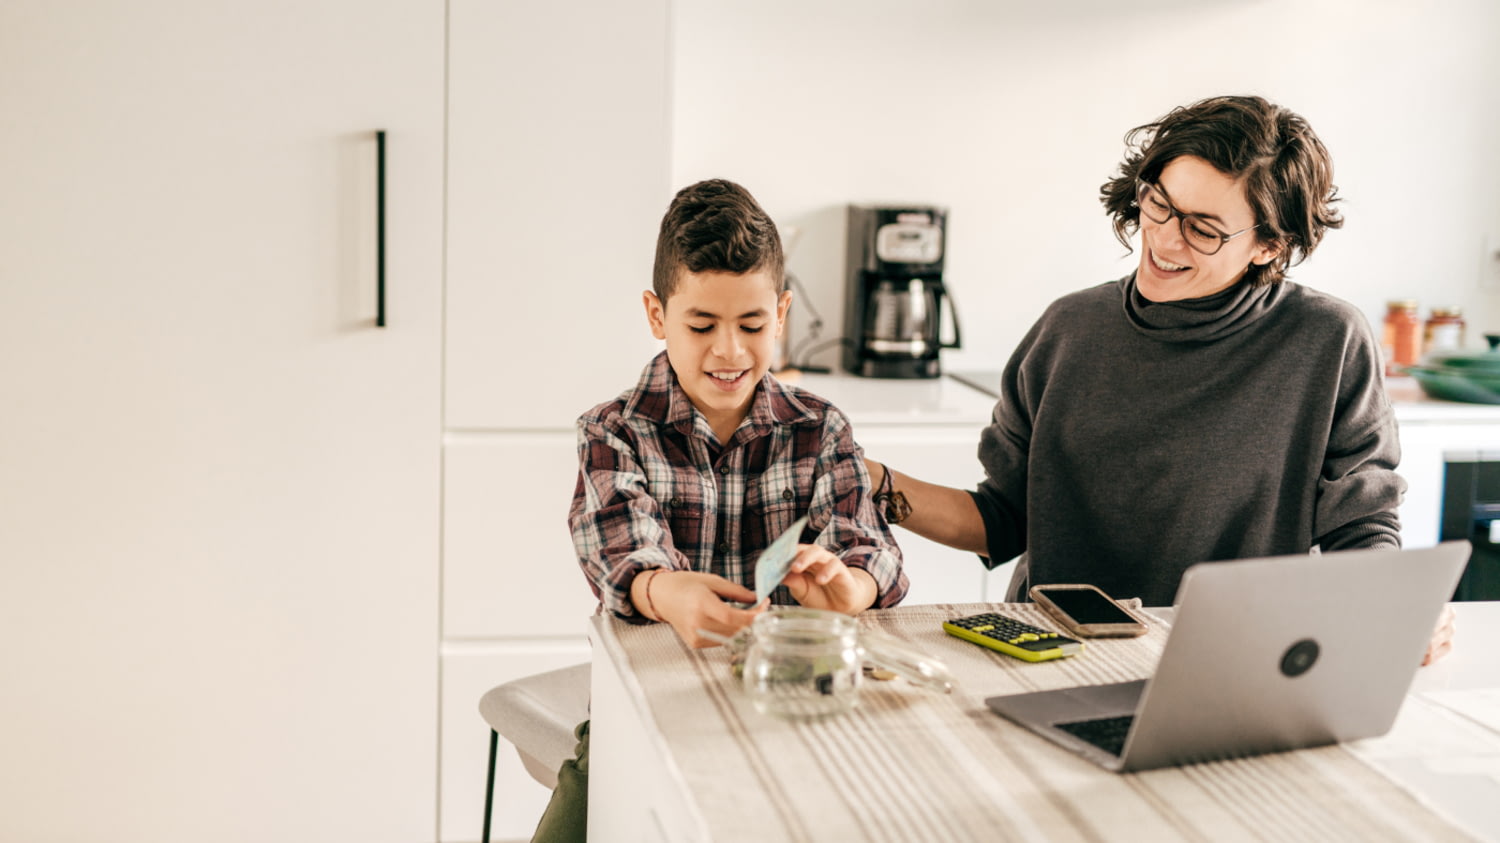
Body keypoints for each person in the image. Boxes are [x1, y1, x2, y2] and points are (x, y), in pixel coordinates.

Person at [866, 94, 1455, 664]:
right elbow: (1004, 519)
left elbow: (1361, 523)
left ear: (1267, 244)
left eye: (1204, 228)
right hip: (1055, 650)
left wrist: (1399, 605)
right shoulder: (1067, 330)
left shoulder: (1326, 340)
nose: (1165, 239)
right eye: (1159, 204)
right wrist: (875, 483)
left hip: (1231, 656)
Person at [532, 178, 909, 842]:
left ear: (783, 312)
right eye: (702, 324)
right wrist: (665, 591)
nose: (729, 350)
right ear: (657, 314)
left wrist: (849, 588)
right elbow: (618, 545)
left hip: (792, 704)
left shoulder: (820, 429)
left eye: (753, 324)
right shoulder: (614, 431)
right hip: (645, 709)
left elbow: (867, 544)